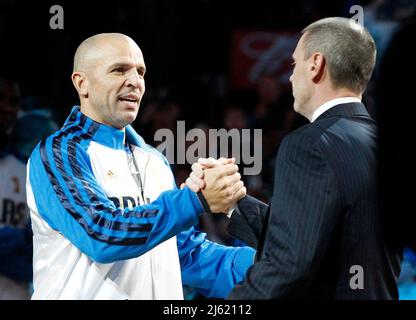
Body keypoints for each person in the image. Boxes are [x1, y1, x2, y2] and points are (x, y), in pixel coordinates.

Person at [26, 33, 255, 300]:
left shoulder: (153, 160)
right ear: (82, 83)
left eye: (140, 72)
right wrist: (195, 201)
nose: (135, 81)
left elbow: (183, 254)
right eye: (119, 70)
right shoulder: (59, 153)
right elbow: (101, 234)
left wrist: (268, 263)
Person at [187, 17, 403, 299]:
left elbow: (288, 264)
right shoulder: (385, 144)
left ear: (315, 64)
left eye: (293, 64)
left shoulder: (309, 144)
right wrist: (234, 203)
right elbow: (319, 239)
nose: (289, 76)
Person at [0, 78, 33, 300]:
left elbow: (40, 241)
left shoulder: (29, 170)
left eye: (13, 101)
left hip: (14, 291)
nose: (6, 107)